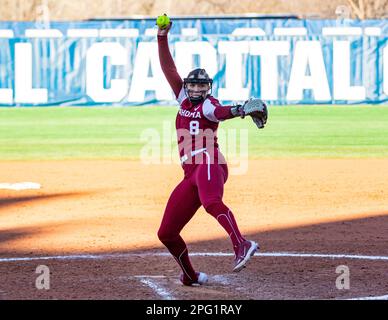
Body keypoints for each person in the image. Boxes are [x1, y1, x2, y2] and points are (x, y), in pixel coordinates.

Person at [156, 21, 259, 286]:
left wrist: (240, 109)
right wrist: (161, 36)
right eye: (193, 86)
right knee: (167, 232)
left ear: (208, 88)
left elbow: (220, 112)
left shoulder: (209, 105)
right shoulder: (182, 98)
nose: (198, 90)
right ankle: (190, 274)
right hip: (190, 173)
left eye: (202, 87)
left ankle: (241, 244)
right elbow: (169, 68)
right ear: (187, 87)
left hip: (209, 162)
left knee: (212, 202)